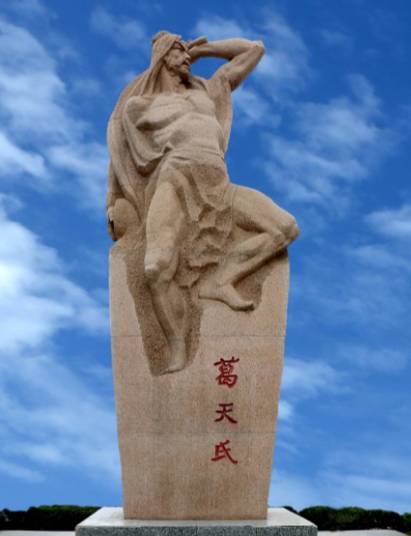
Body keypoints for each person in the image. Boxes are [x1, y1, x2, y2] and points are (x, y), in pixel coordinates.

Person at [107, 31, 299, 373]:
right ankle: (178, 349)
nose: (186, 58)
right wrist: (112, 198)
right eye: (179, 51)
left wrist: (203, 50)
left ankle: (221, 280)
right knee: (156, 268)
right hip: (175, 182)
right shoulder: (141, 106)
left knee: (284, 228)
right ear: (163, 56)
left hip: (219, 185)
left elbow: (254, 50)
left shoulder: (208, 92)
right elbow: (120, 152)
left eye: (186, 52)